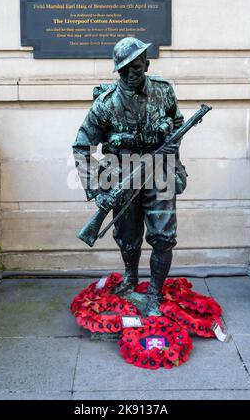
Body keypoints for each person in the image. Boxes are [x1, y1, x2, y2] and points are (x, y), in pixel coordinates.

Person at [73, 37, 187, 316]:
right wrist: (98, 191)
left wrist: (172, 143)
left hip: (159, 171)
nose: (129, 74)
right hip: (122, 172)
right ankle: (130, 279)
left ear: (146, 64)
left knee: (163, 236)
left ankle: (155, 294)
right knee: (127, 235)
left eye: (134, 67)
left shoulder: (163, 91)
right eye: (123, 69)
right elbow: (81, 146)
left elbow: (177, 122)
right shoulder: (105, 103)